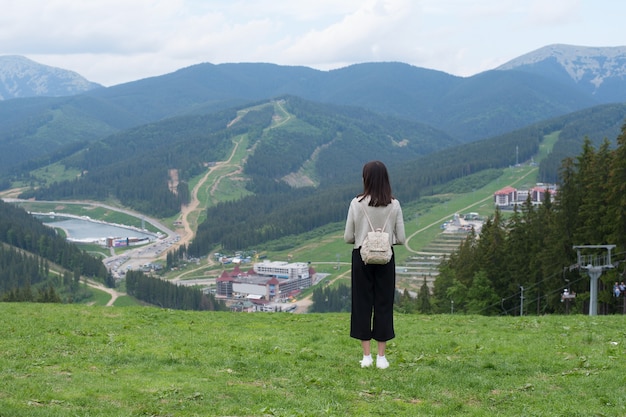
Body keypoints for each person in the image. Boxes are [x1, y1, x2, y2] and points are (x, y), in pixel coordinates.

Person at [344, 160, 406, 369]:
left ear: (366, 179)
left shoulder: (356, 203)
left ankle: (366, 356)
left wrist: (365, 238)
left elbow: (347, 236)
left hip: (362, 256)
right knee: (383, 304)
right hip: (386, 259)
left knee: (362, 304)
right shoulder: (394, 204)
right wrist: (384, 240)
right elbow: (402, 238)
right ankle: (382, 357)